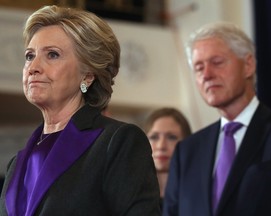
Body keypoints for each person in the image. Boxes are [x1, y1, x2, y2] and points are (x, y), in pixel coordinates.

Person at [0, 5, 160, 216]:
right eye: (30, 56)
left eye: (53, 55)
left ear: (87, 75)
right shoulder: (16, 164)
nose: (33, 67)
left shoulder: (118, 142)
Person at [163, 21, 271, 216]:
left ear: (248, 65)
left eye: (217, 62)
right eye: (198, 67)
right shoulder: (186, 152)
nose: (206, 75)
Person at [144, 108, 192, 209]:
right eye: (154, 137)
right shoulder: (130, 195)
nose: (161, 146)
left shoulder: (197, 193)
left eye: (172, 137)